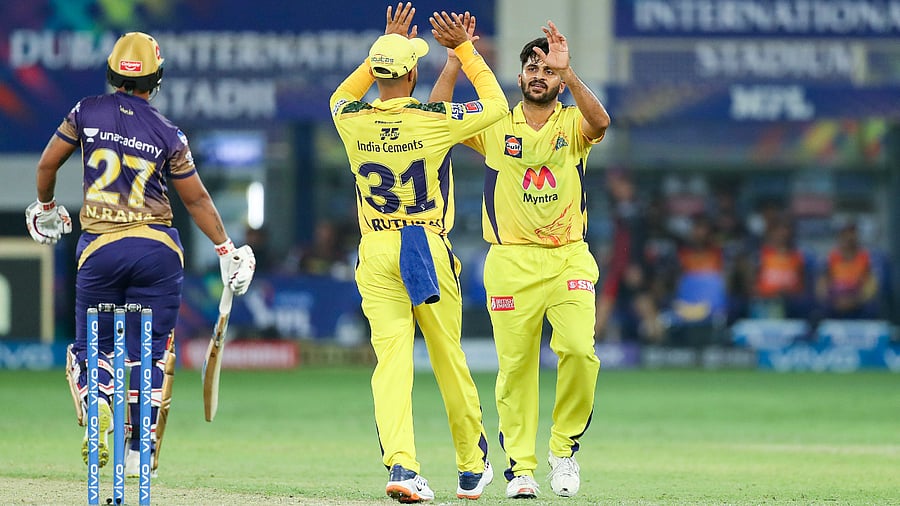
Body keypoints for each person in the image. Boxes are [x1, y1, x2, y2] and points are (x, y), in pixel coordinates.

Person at [26, 32, 256, 477]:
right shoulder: (168, 133)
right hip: (158, 252)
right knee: (150, 354)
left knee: (93, 350)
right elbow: (197, 201)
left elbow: (46, 165)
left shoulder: (85, 111)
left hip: (101, 250)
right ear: (158, 77)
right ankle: (137, 451)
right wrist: (227, 249)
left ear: (113, 72)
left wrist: (48, 208)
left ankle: (100, 397)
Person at [329, 3, 507, 502]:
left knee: (391, 363)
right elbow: (494, 106)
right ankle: (471, 469)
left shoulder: (352, 120)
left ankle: (404, 469)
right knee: (448, 357)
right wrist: (465, 51)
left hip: (376, 246)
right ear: (411, 73)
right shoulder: (431, 120)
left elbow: (341, 96)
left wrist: (377, 53)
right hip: (423, 244)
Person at [431, 19, 610, 499]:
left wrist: (570, 74)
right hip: (510, 262)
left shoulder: (571, 123)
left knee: (578, 350)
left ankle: (563, 450)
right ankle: (522, 469)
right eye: (532, 67)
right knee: (516, 369)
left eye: (548, 70)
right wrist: (454, 59)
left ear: (558, 79)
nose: (539, 74)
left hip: (568, 257)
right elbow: (435, 116)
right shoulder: (494, 122)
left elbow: (602, 123)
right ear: (519, 77)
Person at [815, 221, 879, 319]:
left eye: (852, 235)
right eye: (846, 236)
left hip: (858, 301)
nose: (849, 239)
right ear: (840, 238)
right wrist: (832, 300)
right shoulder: (831, 259)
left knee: (871, 307)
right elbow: (822, 285)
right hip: (836, 301)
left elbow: (871, 285)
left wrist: (857, 300)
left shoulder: (865, 259)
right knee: (821, 309)